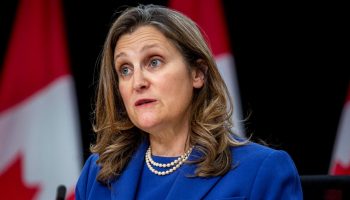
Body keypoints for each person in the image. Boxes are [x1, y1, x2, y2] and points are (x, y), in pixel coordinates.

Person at [75, 4, 303, 200]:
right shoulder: (97, 173)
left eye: (154, 62)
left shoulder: (263, 170)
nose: (138, 82)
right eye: (125, 69)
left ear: (198, 73)